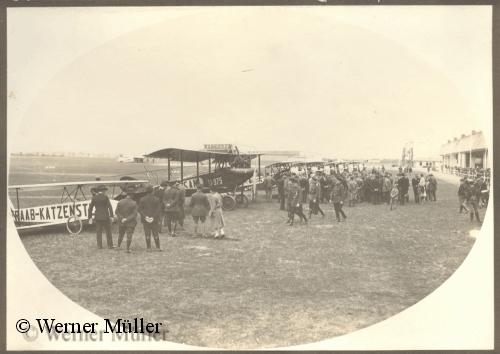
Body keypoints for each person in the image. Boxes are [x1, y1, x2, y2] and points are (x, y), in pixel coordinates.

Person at [88, 185, 115, 249]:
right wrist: (112, 216)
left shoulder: (94, 198)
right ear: (103, 191)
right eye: (104, 191)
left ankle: (99, 245)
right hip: (105, 216)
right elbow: (110, 207)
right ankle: (110, 245)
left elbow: (90, 208)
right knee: (108, 230)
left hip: (97, 216)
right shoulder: (105, 197)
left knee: (98, 231)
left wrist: (90, 217)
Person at [138, 185, 162, 251]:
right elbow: (158, 209)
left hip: (145, 219)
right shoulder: (156, 199)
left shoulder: (142, 199)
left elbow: (140, 210)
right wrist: (153, 217)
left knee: (147, 233)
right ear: (152, 192)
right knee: (155, 233)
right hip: (154, 219)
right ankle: (158, 247)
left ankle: (148, 248)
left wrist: (146, 217)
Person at [115, 187, 138, 253]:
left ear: (126, 194)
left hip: (121, 222)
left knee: (121, 234)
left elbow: (117, 212)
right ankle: (127, 248)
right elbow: (135, 214)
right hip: (130, 222)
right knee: (129, 235)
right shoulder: (134, 203)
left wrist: (122, 218)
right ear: (132, 195)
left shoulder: (120, 202)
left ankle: (118, 246)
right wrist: (127, 219)